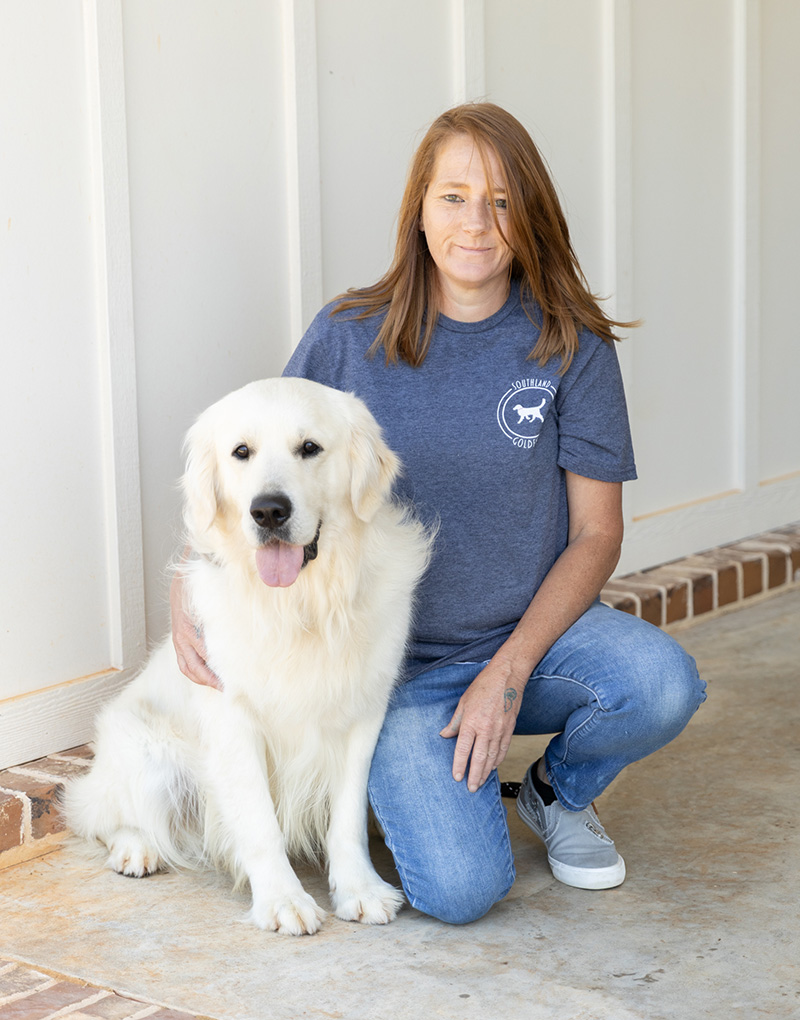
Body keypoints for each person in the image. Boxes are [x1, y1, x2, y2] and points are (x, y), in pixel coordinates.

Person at [172, 102, 706, 925]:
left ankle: (555, 794)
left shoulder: (572, 347)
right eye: (454, 196)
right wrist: (192, 582)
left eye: (500, 200)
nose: (477, 223)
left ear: (530, 215)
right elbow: (259, 463)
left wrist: (509, 669)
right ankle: (412, 779)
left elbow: (598, 534)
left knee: (661, 684)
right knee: (460, 892)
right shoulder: (348, 335)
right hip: (390, 670)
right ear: (419, 209)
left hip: (532, 640)